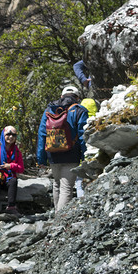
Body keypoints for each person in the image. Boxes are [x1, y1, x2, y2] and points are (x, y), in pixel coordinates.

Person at [36, 85, 88, 214]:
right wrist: (85, 156)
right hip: (72, 154)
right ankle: (59, 218)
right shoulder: (80, 110)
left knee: (57, 184)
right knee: (66, 187)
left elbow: (42, 134)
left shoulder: (49, 109)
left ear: (61, 96)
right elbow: (83, 135)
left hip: (52, 154)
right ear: (77, 98)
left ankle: (56, 214)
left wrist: (41, 158)